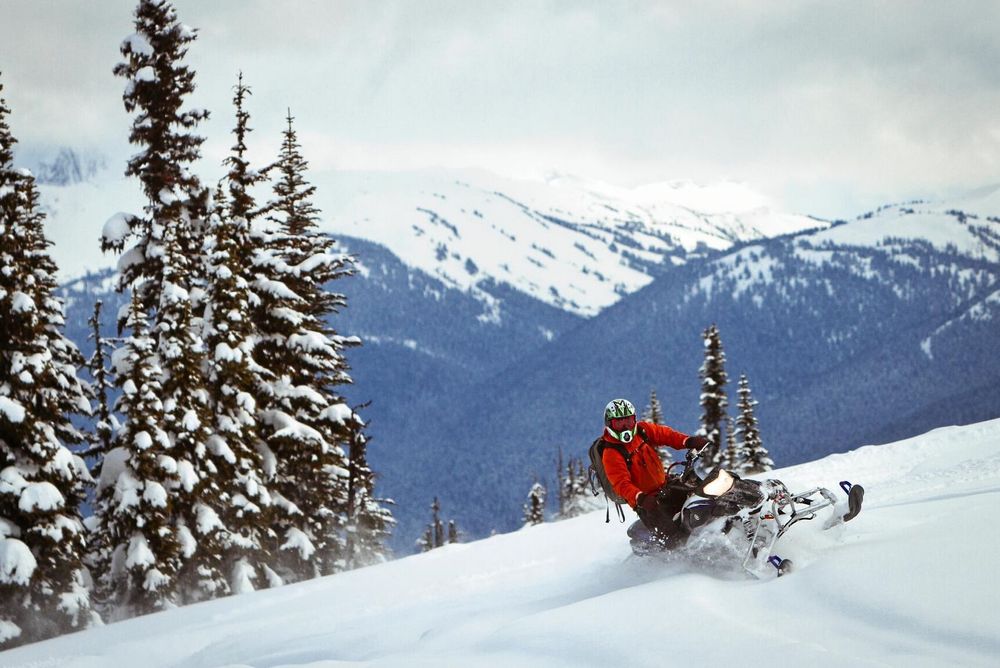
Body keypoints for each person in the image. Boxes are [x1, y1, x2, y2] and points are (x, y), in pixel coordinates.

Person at [600, 398, 709, 551]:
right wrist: (640, 498)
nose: (625, 426)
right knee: (674, 539)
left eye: (629, 421)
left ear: (635, 419)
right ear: (610, 424)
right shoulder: (611, 453)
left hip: (666, 486)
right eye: (619, 422)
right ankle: (683, 567)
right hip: (648, 503)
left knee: (703, 499)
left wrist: (688, 441)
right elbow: (621, 484)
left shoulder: (642, 430)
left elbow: (665, 435)